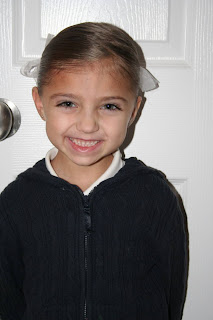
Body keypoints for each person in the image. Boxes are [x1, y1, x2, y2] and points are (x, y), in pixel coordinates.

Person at [0, 22, 187, 320]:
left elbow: (170, 295)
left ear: (134, 110)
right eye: (68, 103)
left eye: (109, 106)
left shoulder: (155, 197)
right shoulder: (16, 201)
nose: (88, 125)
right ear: (39, 103)